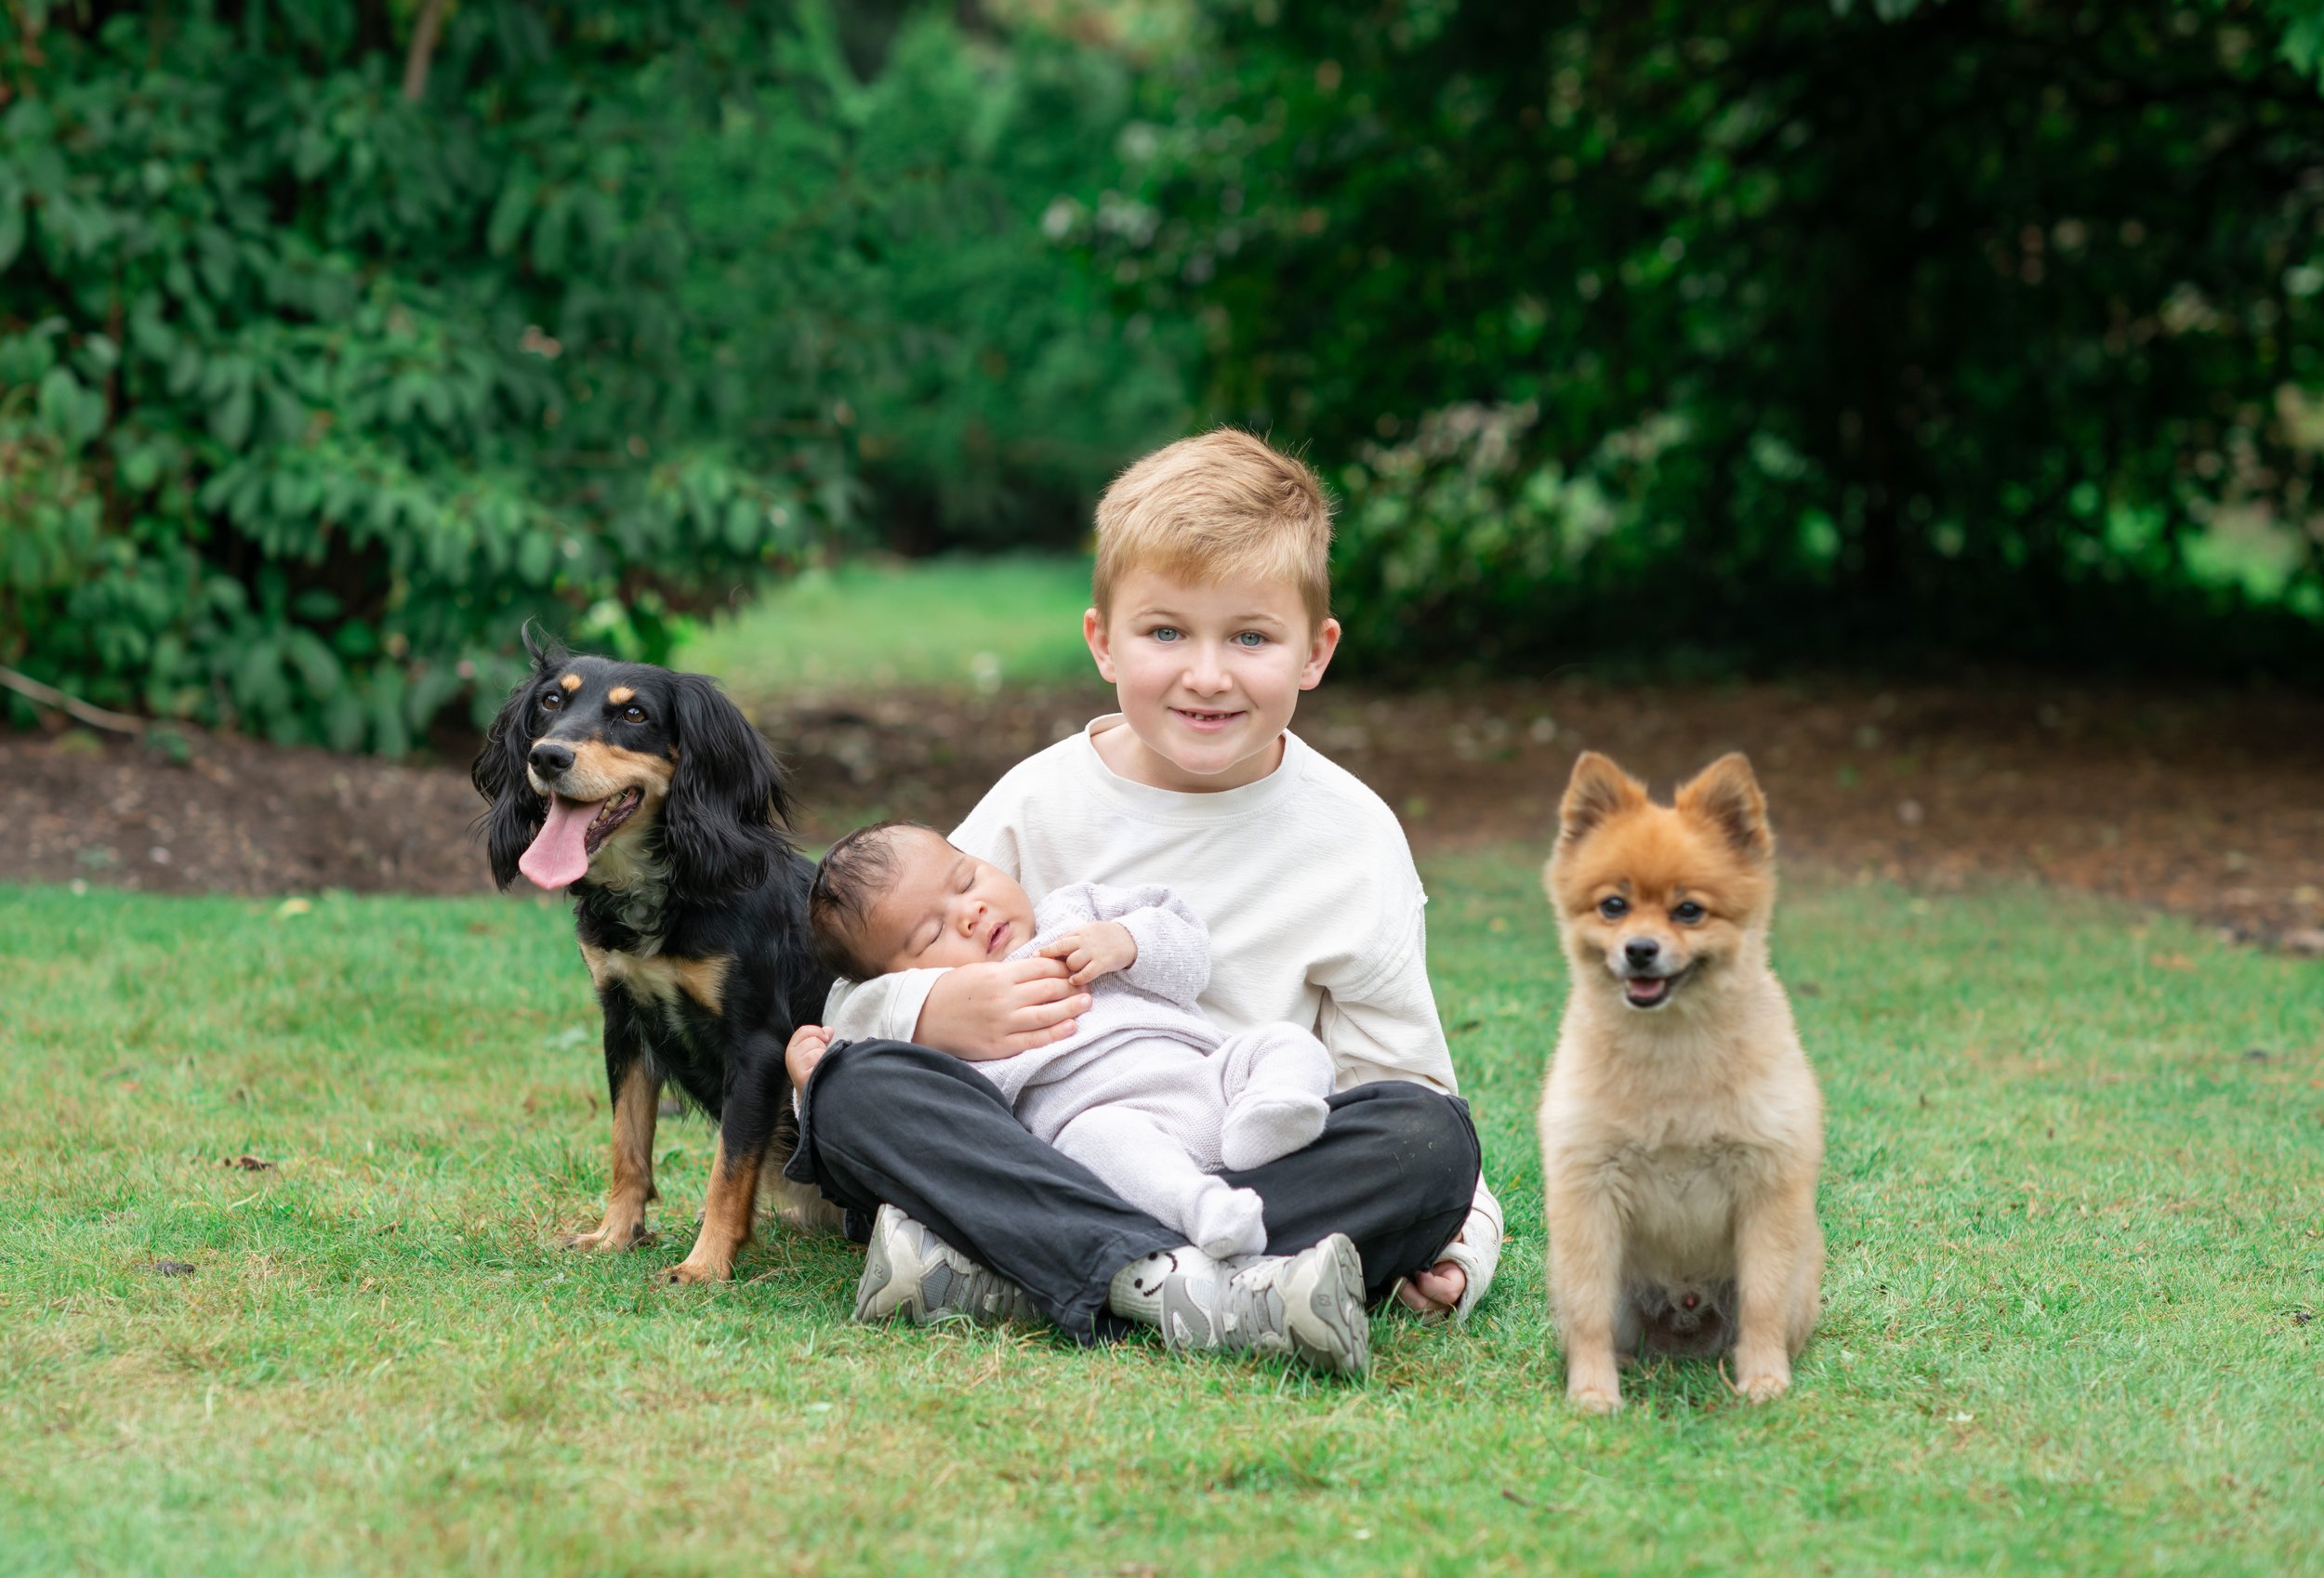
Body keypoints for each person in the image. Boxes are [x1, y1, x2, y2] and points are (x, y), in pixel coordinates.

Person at [779, 427, 1501, 1369]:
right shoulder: (1038, 800)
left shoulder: (1353, 840)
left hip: (1243, 1160)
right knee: (851, 1086)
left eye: (1250, 636)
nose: (1206, 674)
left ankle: (1021, 1269)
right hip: (1049, 1149)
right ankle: (1205, 1287)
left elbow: (1403, 1085)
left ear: (1314, 652)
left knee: (1429, 1140)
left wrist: (1461, 1234)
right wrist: (935, 1006)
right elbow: (867, 983)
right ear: (1103, 642)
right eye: (1165, 632)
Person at [799, 822, 1341, 1260]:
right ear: (898, 980)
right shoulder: (932, 1027)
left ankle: (1271, 1114)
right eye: (931, 933)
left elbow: (1189, 948)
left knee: (1284, 1043)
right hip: (1114, 1133)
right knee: (1095, 1137)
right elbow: (883, 1102)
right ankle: (1206, 1212)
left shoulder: (1074, 912)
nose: (971, 914)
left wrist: (1127, 941)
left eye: (966, 882)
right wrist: (812, 1084)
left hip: (1211, 1079)